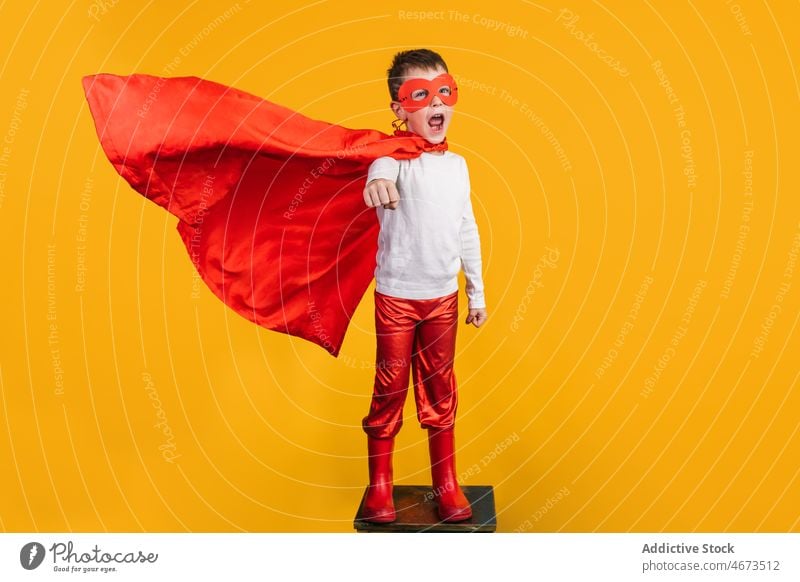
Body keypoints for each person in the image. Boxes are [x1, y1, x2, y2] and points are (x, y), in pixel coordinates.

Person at [359, 49, 487, 523]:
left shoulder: (457, 167)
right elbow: (380, 170)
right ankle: (379, 488)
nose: (436, 104)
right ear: (400, 108)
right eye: (421, 94)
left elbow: (466, 227)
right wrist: (376, 182)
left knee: (440, 390)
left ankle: (446, 484)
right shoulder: (391, 159)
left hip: (443, 300)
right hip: (397, 297)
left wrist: (476, 293)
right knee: (390, 388)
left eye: (444, 92)